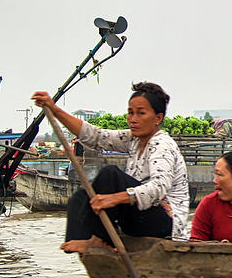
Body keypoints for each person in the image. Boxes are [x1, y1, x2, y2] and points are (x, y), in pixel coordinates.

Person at [31, 82, 190, 253]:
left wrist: (115, 198)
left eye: (141, 113)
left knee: (110, 175)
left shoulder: (162, 145)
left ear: (158, 118)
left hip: (165, 222)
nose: (133, 119)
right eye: (130, 113)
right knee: (81, 196)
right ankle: (81, 239)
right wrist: (54, 110)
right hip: (140, 216)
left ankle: (100, 239)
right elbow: (96, 136)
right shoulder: (133, 140)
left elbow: (159, 187)